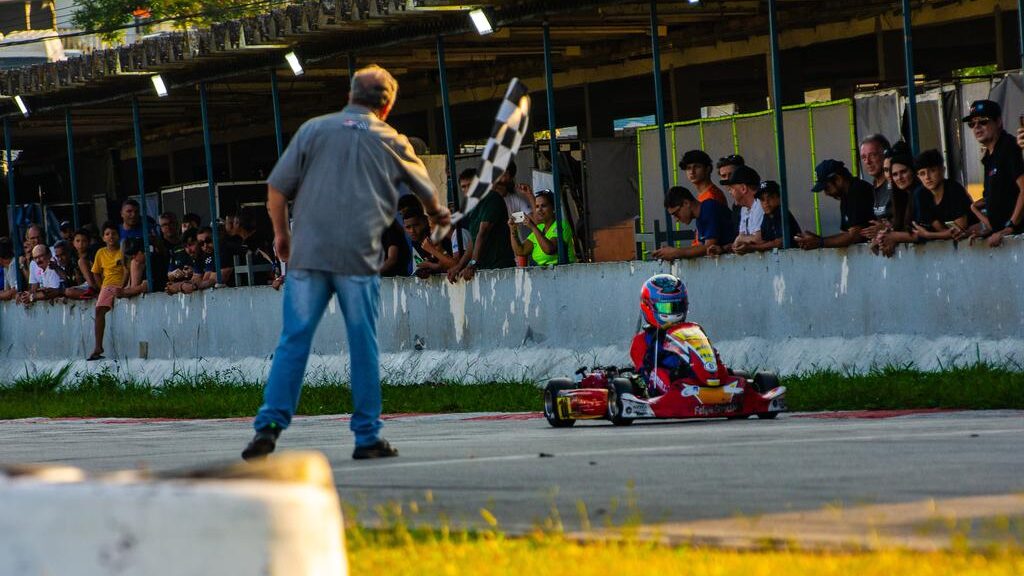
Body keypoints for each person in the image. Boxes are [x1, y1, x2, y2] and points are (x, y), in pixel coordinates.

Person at [242, 65, 450, 462]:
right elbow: (428, 193)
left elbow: (276, 188)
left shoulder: (314, 130)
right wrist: (439, 217)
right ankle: (367, 436)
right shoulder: (390, 137)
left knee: (294, 342)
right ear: (386, 106)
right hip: (358, 257)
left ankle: (268, 427)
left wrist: (281, 234)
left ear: (350, 95)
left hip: (308, 256)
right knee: (362, 345)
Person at [628, 274, 699, 398]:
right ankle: (676, 393)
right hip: (664, 379)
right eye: (665, 307)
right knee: (658, 373)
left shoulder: (690, 332)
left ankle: (714, 379)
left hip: (693, 374)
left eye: (677, 306)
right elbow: (644, 372)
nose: (672, 312)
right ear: (648, 306)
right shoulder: (641, 340)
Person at [965, 100, 1024, 247]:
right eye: (972, 124)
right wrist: (984, 227)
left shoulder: (1009, 147)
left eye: (983, 122)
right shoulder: (989, 157)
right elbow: (994, 200)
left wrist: (1010, 227)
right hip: (1003, 240)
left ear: (998, 122)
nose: (977, 127)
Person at [447, 165, 517, 281]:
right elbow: (473, 241)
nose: (467, 189)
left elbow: (483, 232)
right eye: (464, 187)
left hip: (500, 268)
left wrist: (472, 263)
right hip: (485, 269)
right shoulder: (473, 208)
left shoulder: (491, 198)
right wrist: (459, 266)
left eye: (470, 185)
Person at [796, 159, 874, 249]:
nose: (826, 193)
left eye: (827, 188)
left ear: (838, 179)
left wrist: (819, 242)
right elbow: (845, 234)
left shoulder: (857, 191)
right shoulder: (846, 196)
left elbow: (854, 236)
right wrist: (817, 239)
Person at [651, 186, 735, 261]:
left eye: (676, 214)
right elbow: (701, 247)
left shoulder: (709, 208)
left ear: (686, 203)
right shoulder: (700, 218)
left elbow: (709, 247)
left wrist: (676, 252)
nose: (676, 219)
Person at [910, 149, 975, 241]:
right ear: (918, 177)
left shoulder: (954, 189)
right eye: (922, 173)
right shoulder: (921, 194)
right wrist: (943, 234)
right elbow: (941, 229)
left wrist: (928, 235)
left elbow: (959, 230)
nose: (927, 177)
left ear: (942, 170)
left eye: (932, 171)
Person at [873, 143, 921, 257]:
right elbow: (900, 227)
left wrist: (893, 237)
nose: (899, 178)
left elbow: (924, 233)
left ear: (913, 171)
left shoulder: (921, 193)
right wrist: (882, 238)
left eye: (903, 172)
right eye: (894, 174)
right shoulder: (899, 196)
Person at [88, 222, 127, 361]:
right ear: (103, 237)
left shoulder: (123, 250)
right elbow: (96, 272)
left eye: (114, 233)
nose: (111, 236)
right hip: (107, 285)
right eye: (107, 234)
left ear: (119, 235)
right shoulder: (100, 252)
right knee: (99, 310)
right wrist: (101, 288)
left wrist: (122, 286)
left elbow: (127, 270)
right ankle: (98, 346)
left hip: (122, 283)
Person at [508, 189, 577, 266]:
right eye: (537, 206)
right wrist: (513, 230)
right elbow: (521, 251)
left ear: (554, 208)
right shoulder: (540, 227)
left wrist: (533, 227)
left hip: (564, 273)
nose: (539, 210)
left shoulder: (562, 225)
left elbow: (549, 249)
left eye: (543, 206)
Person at [719, 165, 764, 254]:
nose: (730, 192)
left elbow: (759, 239)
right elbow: (741, 238)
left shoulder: (761, 203)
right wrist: (722, 249)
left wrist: (741, 239)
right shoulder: (744, 208)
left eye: (732, 188)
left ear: (743, 188)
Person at [747, 180, 801, 251]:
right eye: (762, 199)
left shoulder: (781, 212)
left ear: (779, 198)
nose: (766, 202)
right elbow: (764, 241)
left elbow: (781, 242)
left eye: (770, 197)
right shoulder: (766, 216)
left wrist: (753, 247)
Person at [860, 133, 892, 221]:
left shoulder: (896, 183)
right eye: (863, 157)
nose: (868, 161)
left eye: (873, 155)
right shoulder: (871, 187)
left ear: (885, 155)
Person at [64, 228, 98, 299]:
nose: (81, 244)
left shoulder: (94, 254)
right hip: (84, 286)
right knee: (68, 291)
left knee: (81, 261)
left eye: (84, 241)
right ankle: (92, 295)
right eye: (78, 241)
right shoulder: (71, 258)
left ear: (89, 242)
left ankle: (94, 291)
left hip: (96, 284)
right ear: (73, 243)